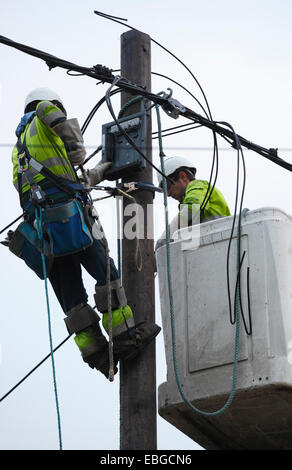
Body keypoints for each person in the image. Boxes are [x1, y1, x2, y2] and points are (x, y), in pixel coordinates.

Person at [10, 87, 160, 378]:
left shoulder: (20, 150)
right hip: (70, 223)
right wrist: (75, 144)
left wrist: (98, 173)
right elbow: (50, 113)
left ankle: (97, 355)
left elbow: (59, 183)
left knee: (72, 297)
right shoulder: (42, 115)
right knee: (107, 274)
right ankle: (126, 336)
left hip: (45, 234)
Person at [156, 156, 231, 246]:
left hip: (220, 243)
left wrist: (164, 239)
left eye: (168, 187)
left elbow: (193, 208)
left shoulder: (198, 185)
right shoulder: (186, 204)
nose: (168, 194)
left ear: (183, 177)